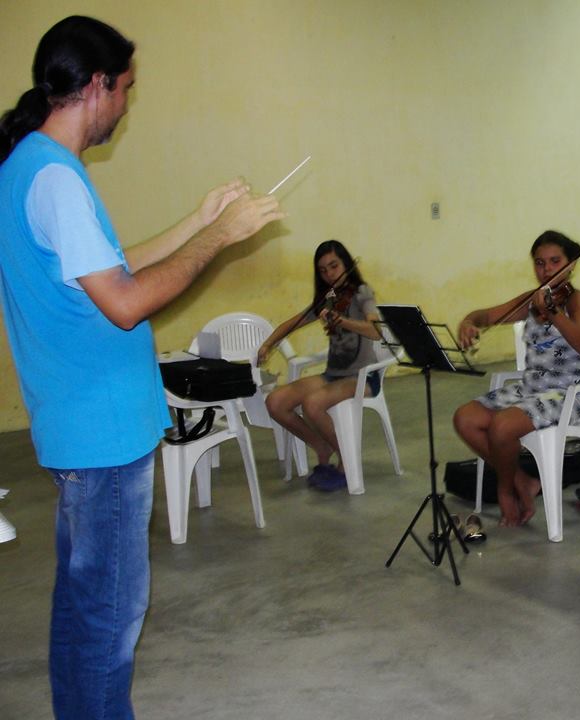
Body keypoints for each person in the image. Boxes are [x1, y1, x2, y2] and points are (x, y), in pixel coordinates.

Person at [0, 16, 284, 719]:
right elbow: (125, 303)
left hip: (76, 428)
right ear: (98, 85)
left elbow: (107, 267)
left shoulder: (28, 165)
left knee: (82, 608)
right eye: (125, 88)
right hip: (104, 434)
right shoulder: (57, 179)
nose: (126, 106)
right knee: (109, 619)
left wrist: (198, 220)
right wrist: (221, 239)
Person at [454, 230, 580, 527]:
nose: (546, 270)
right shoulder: (531, 301)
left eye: (555, 261)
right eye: (540, 263)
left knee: (502, 426)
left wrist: (553, 312)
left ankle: (506, 490)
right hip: (533, 389)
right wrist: (469, 322)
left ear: (571, 264)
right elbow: (485, 315)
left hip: (573, 393)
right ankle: (523, 481)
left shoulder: (576, 301)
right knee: (465, 419)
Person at [258, 240, 381, 491]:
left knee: (312, 404)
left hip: (362, 377)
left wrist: (343, 321)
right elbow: (293, 323)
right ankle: (321, 445)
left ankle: (347, 461)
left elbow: (376, 330)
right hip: (333, 374)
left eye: (334, 266)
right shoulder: (329, 298)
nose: (330, 275)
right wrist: (268, 344)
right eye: (323, 271)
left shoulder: (362, 292)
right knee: (275, 402)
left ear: (346, 263)